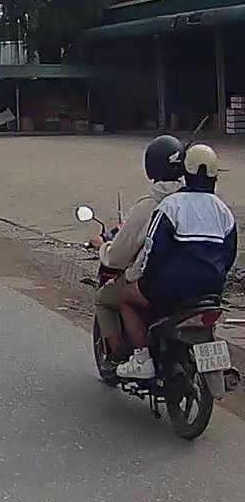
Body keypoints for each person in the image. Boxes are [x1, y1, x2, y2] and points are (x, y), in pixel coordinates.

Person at [116, 143, 237, 379]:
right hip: (211, 291)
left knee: (124, 298)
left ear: (186, 172)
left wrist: (143, 277)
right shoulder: (224, 211)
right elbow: (229, 254)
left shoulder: (170, 206)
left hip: (171, 289)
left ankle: (142, 359)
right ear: (215, 175)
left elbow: (153, 250)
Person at [89, 135, 186, 361]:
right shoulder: (196, 200)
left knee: (107, 298)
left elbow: (119, 255)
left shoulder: (151, 205)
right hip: (200, 283)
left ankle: (124, 357)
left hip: (158, 283)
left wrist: (104, 248)